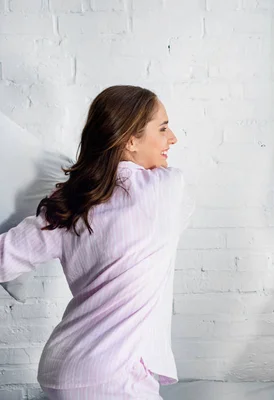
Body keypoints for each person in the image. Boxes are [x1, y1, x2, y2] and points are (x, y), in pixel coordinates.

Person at [0, 85, 193, 399]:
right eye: (162, 128)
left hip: (62, 368)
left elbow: (4, 258)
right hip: (113, 376)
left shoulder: (69, 201)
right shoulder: (165, 189)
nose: (173, 138)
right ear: (130, 139)